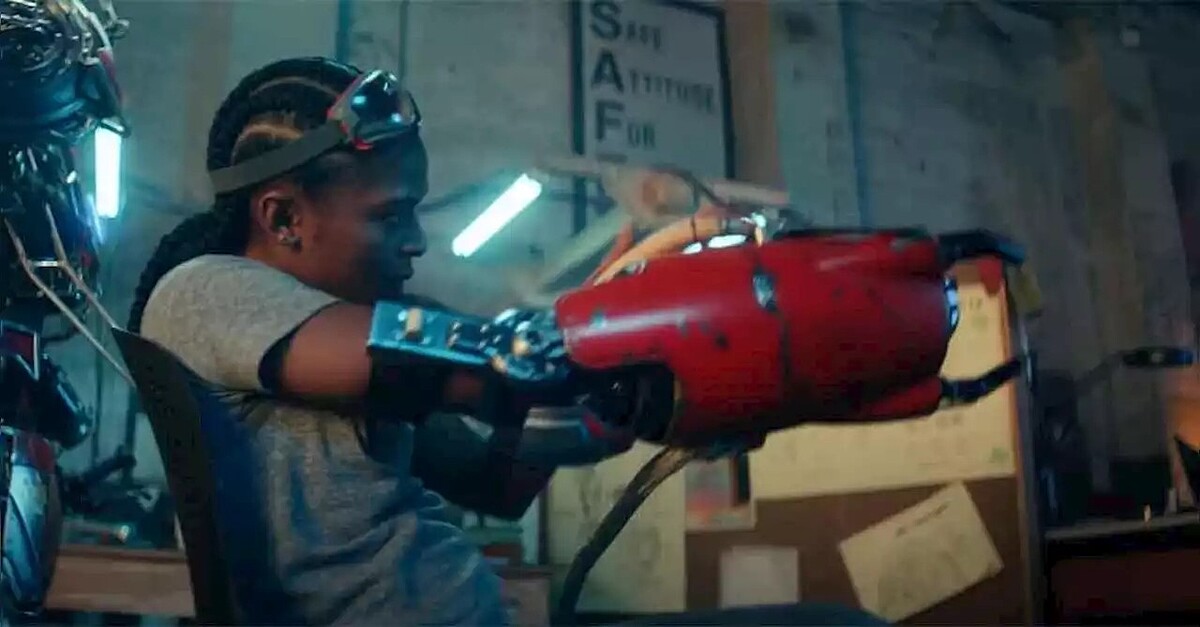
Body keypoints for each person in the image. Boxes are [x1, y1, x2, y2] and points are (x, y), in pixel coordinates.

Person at [128, 56, 886, 626]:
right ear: (283, 217)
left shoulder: (343, 344)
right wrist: (609, 334)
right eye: (391, 215)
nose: (416, 241)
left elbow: (493, 483)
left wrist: (609, 411)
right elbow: (428, 363)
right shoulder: (202, 290)